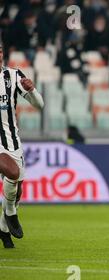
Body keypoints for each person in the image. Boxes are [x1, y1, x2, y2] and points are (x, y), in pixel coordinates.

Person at [0, 44, 44, 249]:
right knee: (12, 172)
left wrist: (32, 90)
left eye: (0, 50)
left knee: (17, 188)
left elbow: (39, 105)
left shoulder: (13, 75)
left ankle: (3, 228)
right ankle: (10, 212)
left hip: (11, 140)